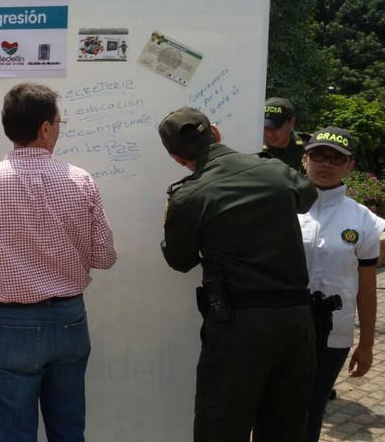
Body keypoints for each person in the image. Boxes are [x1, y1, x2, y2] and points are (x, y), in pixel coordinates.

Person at [0, 83, 118, 442]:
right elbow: (104, 256)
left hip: (13, 325)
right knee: (69, 431)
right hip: (70, 320)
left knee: (16, 434)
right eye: (59, 121)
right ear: (45, 128)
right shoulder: (81, 180)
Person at [158, 107, 318, 442]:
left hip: (239, 327)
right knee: (285, 428)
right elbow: (308, 196)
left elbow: (179, 260)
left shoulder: (189, 195)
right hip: (297, 322)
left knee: (221, 428)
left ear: (175, 157)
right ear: (215, 133)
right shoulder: (274, 169)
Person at [299, 127, 385, 442]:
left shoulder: (362, 220)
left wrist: (365, 344)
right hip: (280, 327)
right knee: (270, 404)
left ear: (350, 166)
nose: (327, 164)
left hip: (333, 333)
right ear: (304, 159)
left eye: (337, 158)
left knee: (311, 410)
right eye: (319, 155)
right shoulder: (281, 207)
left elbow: (366, 287)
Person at [262, 97, 310, 171]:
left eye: (275, 128)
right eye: (265, 128)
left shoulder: (309, 148)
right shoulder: (252, 148)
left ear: (291, 122)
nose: (269, 134)